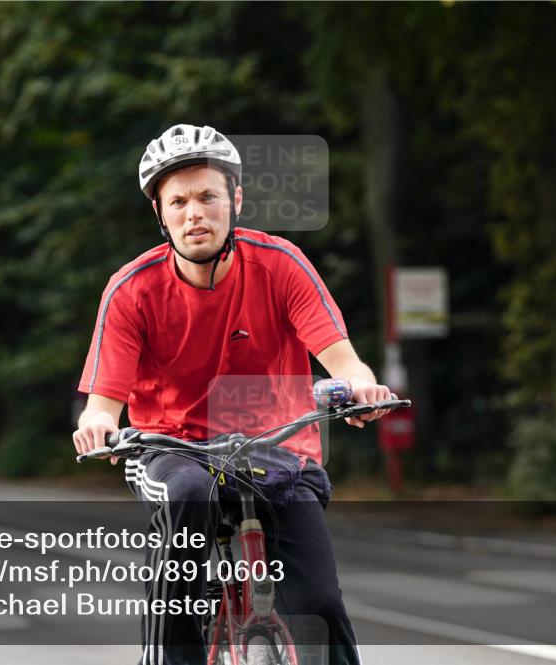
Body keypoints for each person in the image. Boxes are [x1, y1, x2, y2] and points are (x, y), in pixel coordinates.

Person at [74, 124, 391, 665]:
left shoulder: (281, 263)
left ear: (234, 200)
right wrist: (99, 423)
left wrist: (360, 381)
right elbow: (104, 401)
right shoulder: (132, 290)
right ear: (160, 213)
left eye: (207, 196)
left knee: (319, 602)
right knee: (190, 495)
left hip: (279, 449)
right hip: (174, 450)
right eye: (178, 201)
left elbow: (338, 352)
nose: (193, 212)